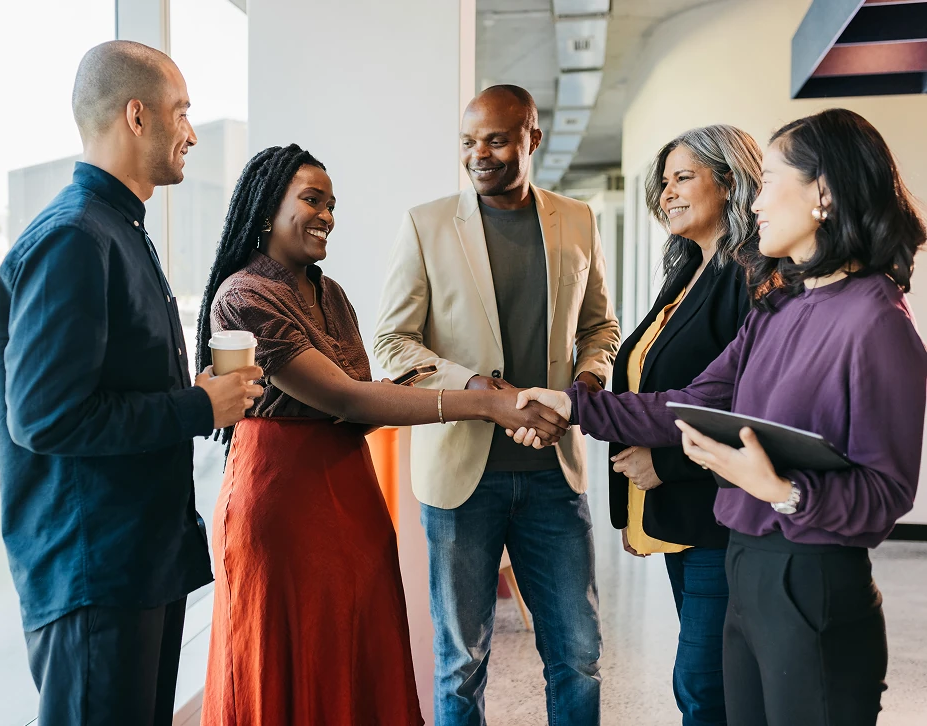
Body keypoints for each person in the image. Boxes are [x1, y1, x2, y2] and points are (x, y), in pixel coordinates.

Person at [512, 108, 927, 726]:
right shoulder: (779, 307)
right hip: (745, 559)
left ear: (824, 193)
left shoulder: (876, 322)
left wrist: (782, 491)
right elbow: (691, 401)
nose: (754, 203)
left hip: (810, 577)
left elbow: (885, 494)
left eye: (770, 183)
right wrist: (573, 405)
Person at [196, 144, 567, 726]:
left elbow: (359, 406)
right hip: (281, 501)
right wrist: (485, 407)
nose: (327, 216)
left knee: (355, 648)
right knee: (293, 660)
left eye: (332, 205)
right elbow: (343, 396)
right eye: (312, 200)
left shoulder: (330, 293)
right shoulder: (244, 295)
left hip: (350, 491)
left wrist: (431, 384)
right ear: (267, 209)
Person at [0, 41, 263, 726]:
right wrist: (198, 406)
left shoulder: (117, 229)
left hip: (137, 565)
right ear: (138, 116)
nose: (192, 133)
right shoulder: (74, 238)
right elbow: (47, 418)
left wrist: (197, 400)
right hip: (95, 578)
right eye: (182, 112)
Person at [374, 85, 620, 726]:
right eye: (467, 141)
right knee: (461, 663)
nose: (479, 154)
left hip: (554, 477)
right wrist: (484, 397)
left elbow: (600, 329)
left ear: (531, 138)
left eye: (496, 139)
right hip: (460, 477)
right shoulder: (426, 224)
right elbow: (393, 342)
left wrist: (585, 388)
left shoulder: (577, 220)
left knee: (579, 656)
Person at [609, 125, 761, 726]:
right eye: (664, 181)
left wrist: (664, 464)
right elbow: (646, 388)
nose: (668, 192)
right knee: (707, 682)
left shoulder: (749, 277)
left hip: (719, 513)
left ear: (730, 183)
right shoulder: (687, 272)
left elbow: (752, 410)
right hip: (676, 510)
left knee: (702, 682)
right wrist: (630, 510)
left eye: (684, 178)